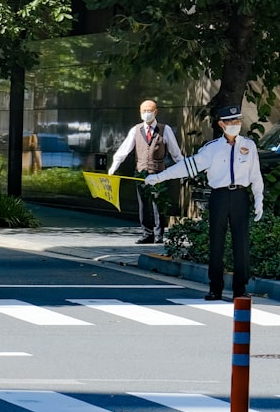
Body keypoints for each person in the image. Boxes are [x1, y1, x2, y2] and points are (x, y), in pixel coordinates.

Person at [145, 105, 263, 301]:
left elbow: (256, 175)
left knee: (241, 244)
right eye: (230, 121)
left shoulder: (248, 146)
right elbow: (187, 167)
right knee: (216, 242)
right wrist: (160, 177)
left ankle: (240, 289)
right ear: (221, 124)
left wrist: (259, 198)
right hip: (219, 196)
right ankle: (215, 288)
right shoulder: (212, 149)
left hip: (240, 196)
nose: (235, 125)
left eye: (238, 121)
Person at [108, 99, 185, 244]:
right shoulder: (136, 130)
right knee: (143, 205)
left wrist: (184, 170)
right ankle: (146, 233)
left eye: (149, 111)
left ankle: (158, 234)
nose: (146, 113)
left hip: (158, 174)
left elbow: (176, 153)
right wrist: (114, 166)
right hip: (141, 173)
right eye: (144, 111)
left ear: (155, 112)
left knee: (158, 204)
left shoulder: (165, 129)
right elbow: (124, 150)